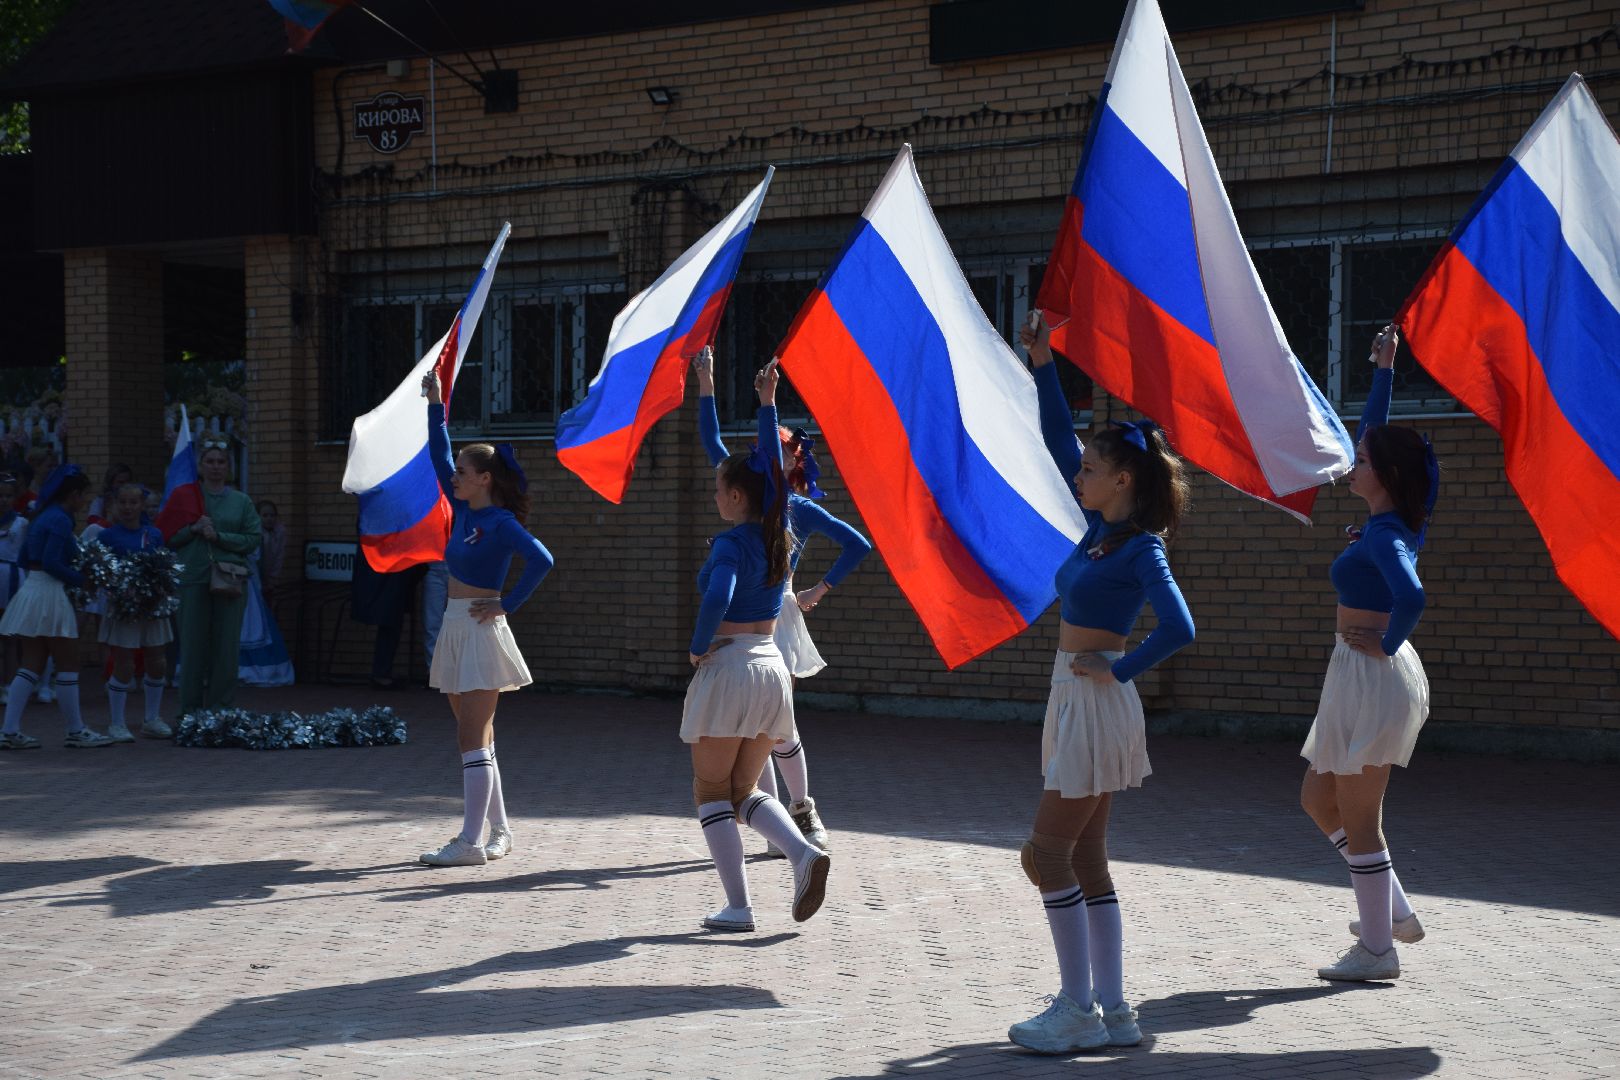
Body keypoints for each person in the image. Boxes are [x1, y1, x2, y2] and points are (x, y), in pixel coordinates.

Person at [1007, 316, 1195, 1053]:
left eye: (1090, 470)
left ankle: (1077, 1009)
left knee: (1047, 856)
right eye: (1081, 468)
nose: (1077, 475)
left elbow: (1179, 626)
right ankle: (1115, 1012)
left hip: (1095, 700)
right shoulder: (1097, 532)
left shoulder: (1142, 547)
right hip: (1076, 696)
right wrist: (1043, 362)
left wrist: (1119, 668)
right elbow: (1060, 438)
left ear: (1123, 481)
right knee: (1084, 858)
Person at [691, 346, 871, 855]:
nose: (769, 451)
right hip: (748, 619)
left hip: (777, 617)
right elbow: (711, 441)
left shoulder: (799, 509)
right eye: (769, 446)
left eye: (784, 449)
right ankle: (775, 825)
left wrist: (819, 588)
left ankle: (803, 809)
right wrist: (706, 384)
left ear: (796, 462)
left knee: (778, 727)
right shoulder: (747, 495)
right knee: (758, 725)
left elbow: (858, 544)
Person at [1299, 325, 1436, 983]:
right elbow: (1375, 437)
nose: (1351, 465)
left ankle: (1378, 951)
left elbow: (1412, 596)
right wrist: (1382, 370)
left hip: (1373, 673)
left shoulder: (1386, 535)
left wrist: (1386, 643)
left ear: (1383, 475)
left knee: (1359, 818)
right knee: (1317, 799)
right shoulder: (1391, 520)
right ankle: (1393, 912)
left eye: (1361, 461)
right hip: (1355, 672)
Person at [682, 358, 831, 933]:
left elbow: (718, 596)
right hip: (772, 666)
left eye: (720, 488)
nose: (715, 492)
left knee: (710, 793)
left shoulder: (730, 543)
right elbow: (766, 462)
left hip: (731, 665)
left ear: (736, 496)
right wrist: (764, 401)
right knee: (743, 789)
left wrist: (698, 645)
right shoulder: (779, 530)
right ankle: (802, 852)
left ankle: (739, 907)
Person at [417, 369, 554, 868]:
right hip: (456, 625)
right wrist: (436, 404)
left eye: (463, 470)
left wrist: (507, 603)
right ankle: (500, 832)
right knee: (480, 738)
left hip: (480, 629)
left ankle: (470, 843)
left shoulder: (500, 521)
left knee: (470, 739)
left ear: (484, 479)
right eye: (455, 470)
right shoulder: (465, 511)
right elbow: (438, 455)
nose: (454, 475)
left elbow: (542, 559)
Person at [0, 464, 118, 749]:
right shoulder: (60, 519)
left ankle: (9, 731)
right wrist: (83, 581)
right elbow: (52, 562)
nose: (84, 501)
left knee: (31, 664)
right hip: (49, 593)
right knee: (68, 663)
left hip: (33, 589)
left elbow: (24, 558)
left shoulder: (42, 515)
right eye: (83, 495)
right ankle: (75, 730)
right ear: (73, 494)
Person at [167, 437, 262, 721]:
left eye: (221, 462)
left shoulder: (241, 501)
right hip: (193, 578)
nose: (216, 467)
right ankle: (190, 712)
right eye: (210, 461)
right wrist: (193, 529)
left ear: (228, 466)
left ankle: (221, 710)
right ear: (200, 465)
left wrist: (219, 536)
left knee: (226, 647)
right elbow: (167, 536)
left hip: (229, 579)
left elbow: (253, 539)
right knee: (193, 646)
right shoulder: (185, 497)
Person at [95, 482, 173, 740]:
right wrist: (119, 587)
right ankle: (117, 723)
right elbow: (101, 572)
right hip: (123, 607)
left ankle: (152, 719)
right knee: (124, 664)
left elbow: (164, 567)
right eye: (123, 502)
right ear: (115, 505)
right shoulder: (106, 536)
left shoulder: (154, 534)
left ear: (142, 506)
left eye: (133, 502)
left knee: (158, 661)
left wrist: (160, 586)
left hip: (153, 606)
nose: (128, 507)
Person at [0, 473, 28, 702]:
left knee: (10, 636)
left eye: (8, 496)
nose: (3, 500)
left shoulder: (22, 523)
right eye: (0, 495)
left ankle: (9, 685)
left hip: (12, 579)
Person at [86, 463, 134, 527]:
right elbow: (92, 521)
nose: (125, 485)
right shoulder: (101, 500)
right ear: (111, 483)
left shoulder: (137, 499)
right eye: (121, 482)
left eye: (128, 482)